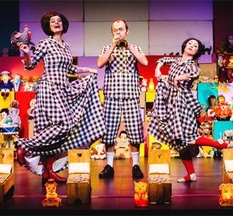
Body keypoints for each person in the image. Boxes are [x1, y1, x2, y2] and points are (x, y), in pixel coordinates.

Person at [15, 11, 105, 183]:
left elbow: (71, 69)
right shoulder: (45, 43)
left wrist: (88, 70)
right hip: (49, 88)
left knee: (57, 134)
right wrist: (26, 52)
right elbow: (30, 65)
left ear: (63, 25)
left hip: (63, 89)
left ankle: (48, 171)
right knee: (64, 125)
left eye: (59, 21)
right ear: (48, 27)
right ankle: (25, 146)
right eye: (52, 21)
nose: (56, 23)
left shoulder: (66, 46)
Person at [148, 38, 233, 183]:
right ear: (184, 46)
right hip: (169, 101)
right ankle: (191, 174)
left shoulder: (192, 65)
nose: (192, 46)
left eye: (195, 46)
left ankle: (220, 144)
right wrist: (158, 68)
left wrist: (176, 78)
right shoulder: (175, 60)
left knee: (188, 137)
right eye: (190, 44)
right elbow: (162, 60)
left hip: (182, 102)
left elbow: (193, 74)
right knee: (178, 142)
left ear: (196, 51)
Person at [97, 18, 148, 179]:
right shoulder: (106, 47)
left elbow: (145, 62)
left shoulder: (135, 47)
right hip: (112, 95)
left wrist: (129, 45)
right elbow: (99, 64)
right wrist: (113, 45)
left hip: (131, 95)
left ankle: (136, 165)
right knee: (109, 133)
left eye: (121, 29)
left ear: (127, 31)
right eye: (115, 30)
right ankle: (109, 166)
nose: (118, 32)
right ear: (112, 32)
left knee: (135, 132)